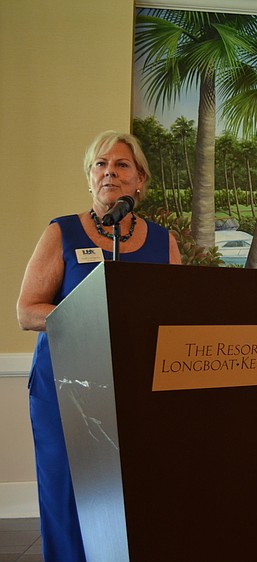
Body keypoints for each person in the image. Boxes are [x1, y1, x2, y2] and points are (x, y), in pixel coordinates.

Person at [16, 131, 181, 561]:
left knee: (134, 499)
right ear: (90, 179)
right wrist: (85, 318)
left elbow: (177, 316)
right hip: (64, 388)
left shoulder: (165, 242)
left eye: (121, 165)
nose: (109, 172)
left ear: (140, 179)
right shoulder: (62, 233)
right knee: (67, 496)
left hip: (136, 388)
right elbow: (27, 311)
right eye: (100, 165)